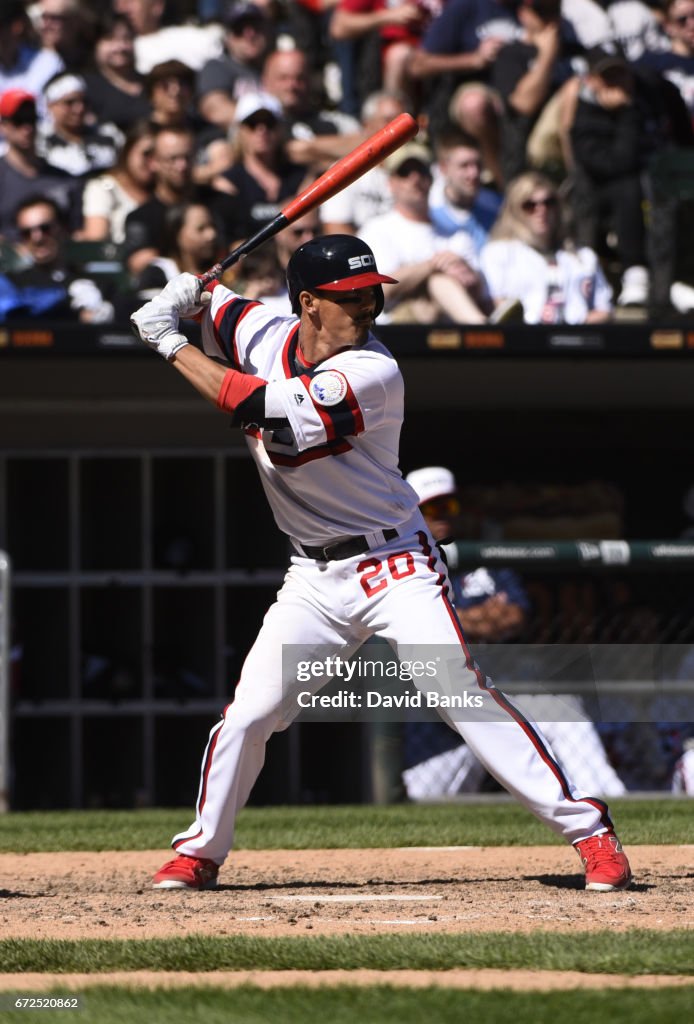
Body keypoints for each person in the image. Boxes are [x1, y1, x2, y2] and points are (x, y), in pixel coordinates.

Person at [129, 235, 633, 894]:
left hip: (395, 563)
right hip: (312, 578)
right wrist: (186, 291)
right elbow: (220, 306)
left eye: (372, 294)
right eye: (349, 298)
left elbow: (251, 406)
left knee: (457, 690)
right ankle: (200, 851)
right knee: (251, 714)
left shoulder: (373, 370)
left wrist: (168, 342)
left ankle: (590, 831)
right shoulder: (262, 330)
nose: (368, 308)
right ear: (308, 304)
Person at [401, 465, 628, 800]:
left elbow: (513, 615)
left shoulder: (488, 560)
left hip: (497, 700)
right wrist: (476, 618)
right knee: (418, 798)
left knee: (561, 709)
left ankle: (610, 800)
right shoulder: (401, 563)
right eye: (432, 509)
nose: (444, 516)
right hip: (435, 724)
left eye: (449, 506)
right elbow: (417, 626)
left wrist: (454, 619)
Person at [358, 141, 492, 323]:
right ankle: (483, 331)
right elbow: (378, 291)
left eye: (421, 171)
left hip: (449, 329)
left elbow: (481, 294)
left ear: (431, 178)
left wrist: (468, 274)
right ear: (391, 183)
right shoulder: (377, 230)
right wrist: (431, 266)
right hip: (397, 331)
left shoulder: (455, 232)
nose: (415, 179)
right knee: (437, 280)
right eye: (404, 173)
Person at [480, 170, 614, 323]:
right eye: (530, 205)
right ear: (515, 210)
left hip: (577, 336)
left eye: (548, 203)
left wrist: (574, 327)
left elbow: (605, 310)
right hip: (524, 338)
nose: (541, 210)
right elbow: (496, 305)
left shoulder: (583, 257)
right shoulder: (498, 253)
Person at [121, 123, 240, 276]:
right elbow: (140, 263)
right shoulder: (142, 218)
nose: (181, 165)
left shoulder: (222, 202)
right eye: (173, 158)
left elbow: (244, 248)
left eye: (187, 157)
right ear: (153, 162)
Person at [212, 91, 311, 239]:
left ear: (279, 129)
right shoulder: (228, 182)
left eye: (269, 123)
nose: (261, 130)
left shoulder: (299, 176)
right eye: (252, 124)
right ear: (240, 130)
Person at [0, 193, 113, 322]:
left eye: (45, 228)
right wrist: (73, 312)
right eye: (27, 233)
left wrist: (107, 311)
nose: (37, 238)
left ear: (63, 228)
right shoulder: (14, 285)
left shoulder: (96, 282)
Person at [319, 89, 407, 234]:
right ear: (367, 126)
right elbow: (335, 228)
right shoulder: (345, 170)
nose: (397, 129)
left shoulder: (418, 171)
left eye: (402, 123)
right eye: (388, 120)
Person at [0, 88, 81, 240]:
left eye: (31, 119)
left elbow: (76, 232)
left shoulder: (64, 180)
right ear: (3, 126)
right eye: (18, 121)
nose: (27, 128)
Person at [196, 0, 274, 132]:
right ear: (228, 37)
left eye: (256, 27)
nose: (249, 34)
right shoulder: (217, 67)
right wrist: (265, 125)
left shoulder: (278, 66)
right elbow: (216, 111)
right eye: (239, 29)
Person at [428, 125, 502, 255]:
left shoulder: (497, 207)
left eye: (478, 165)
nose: (474, 173)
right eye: (464, 166)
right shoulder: (429, 216)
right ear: (443, 168)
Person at [79, 119, 155, 244]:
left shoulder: (165, 192)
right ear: (128, 150)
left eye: (158, 156)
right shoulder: (103, 188)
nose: (153, 164)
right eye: (146, 154)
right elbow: (95, 241)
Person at [37, 70, 123, 180]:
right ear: (51, 106)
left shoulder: (109, 134)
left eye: (84, 102)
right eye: (70, 102)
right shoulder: (40, 143)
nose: (79, 109)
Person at [131, 200, 222, 296]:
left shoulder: (219, 271)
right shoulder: (158, 274)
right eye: (201, 228)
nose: (212, 235)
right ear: (177, 235)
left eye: (212, 226)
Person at [81, 11, 151, 132]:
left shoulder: (151, 83)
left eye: (127, 38)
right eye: (110, 39)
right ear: (96, 44)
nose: (120, 47)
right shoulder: (84, 88)